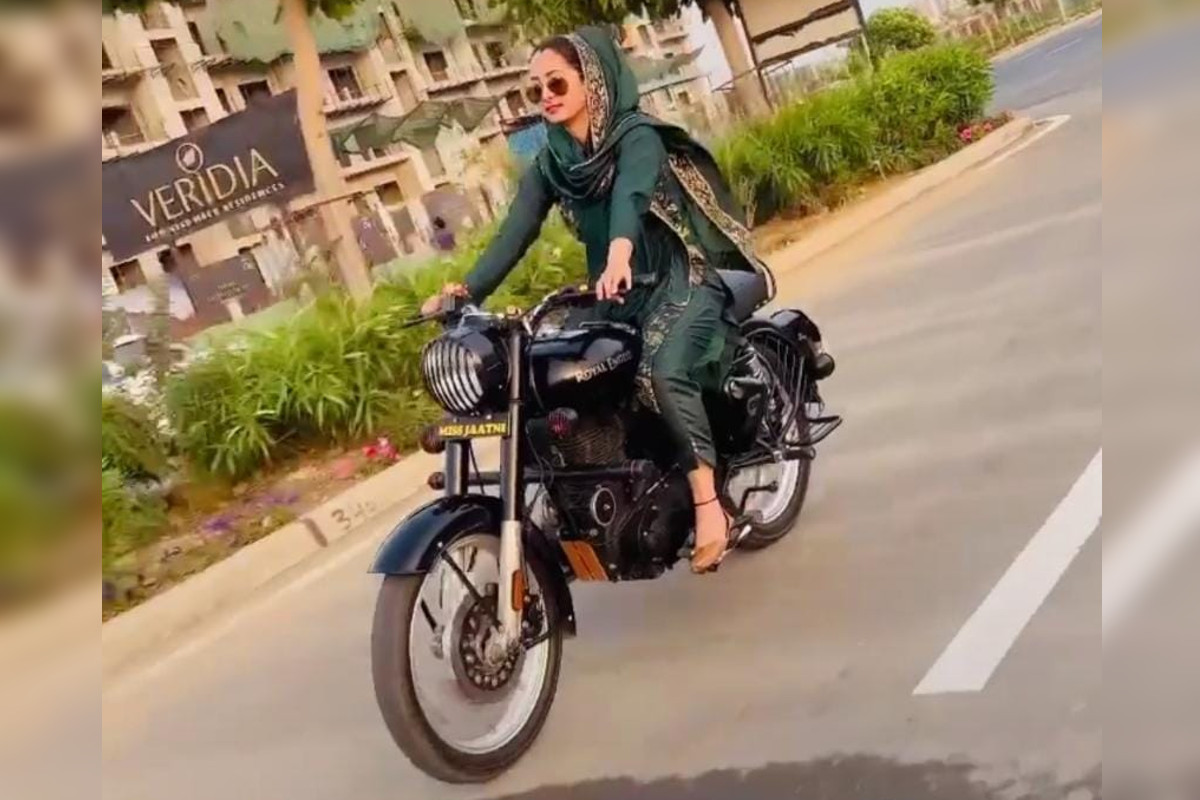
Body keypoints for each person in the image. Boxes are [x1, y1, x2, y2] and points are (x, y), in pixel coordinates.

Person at [420, 26, 778, 573]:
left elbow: (631, 196)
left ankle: (709, 505)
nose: (545, 96)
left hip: (677, 281)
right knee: (560, 376)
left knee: (660, 372)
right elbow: (515, 232)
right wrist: (466, 292)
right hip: (613, 294)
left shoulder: (637, 137)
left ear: (592, 81)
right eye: (535, 89)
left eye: (556, 82)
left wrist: (619, 254)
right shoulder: (554, 162)